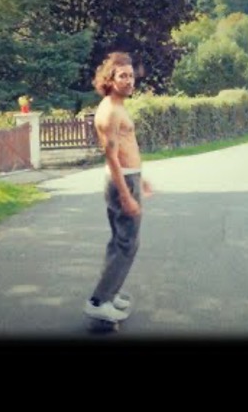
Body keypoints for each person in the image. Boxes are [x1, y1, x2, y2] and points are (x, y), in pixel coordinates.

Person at [83, 51, 153, 322]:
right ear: (109, 80)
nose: (129, 80)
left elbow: (126, 148)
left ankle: (109, 294)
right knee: (127, 244)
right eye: (123, 76)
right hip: (122, 181)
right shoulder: (110, 112)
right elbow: (111, 156)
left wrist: (140, 177)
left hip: (128, 177)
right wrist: (126, 195)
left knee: (119, 243)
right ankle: (99, 301)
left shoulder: (118, 106)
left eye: (131, 75)